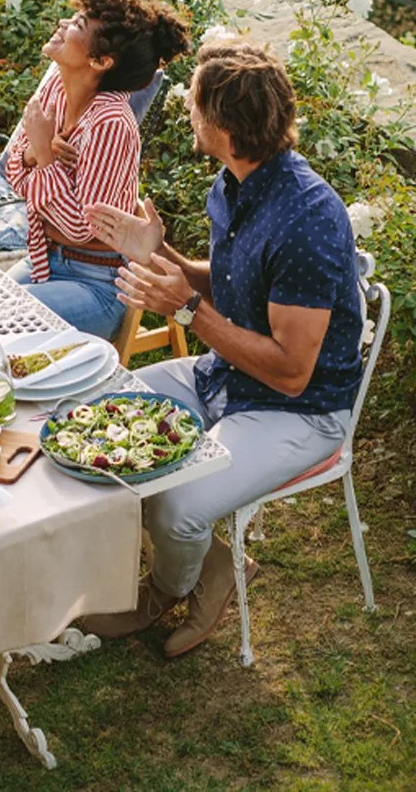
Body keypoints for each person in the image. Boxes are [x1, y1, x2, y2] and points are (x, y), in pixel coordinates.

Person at [77, 39, 368, 656]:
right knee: (99, 415)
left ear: (226, 127)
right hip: (225, 375)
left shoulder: (309, 217)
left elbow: (291, 372)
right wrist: (157, 254)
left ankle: (165, 587)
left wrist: (186, 307)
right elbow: (233, 279)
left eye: (196, 101)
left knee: (177, 504)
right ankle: (213, 564)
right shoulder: (236, 181)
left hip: (299, 410)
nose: (186, 105)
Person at [1, 0, 193, 338]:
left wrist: (43, 155)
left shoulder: (111, 123)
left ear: (100, 61)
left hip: (98, 286)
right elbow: (13, 174)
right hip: (46, 261)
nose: (62, 24)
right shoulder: (56, 87)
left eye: (76, 25)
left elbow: (77, 226)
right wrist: (34, 154)